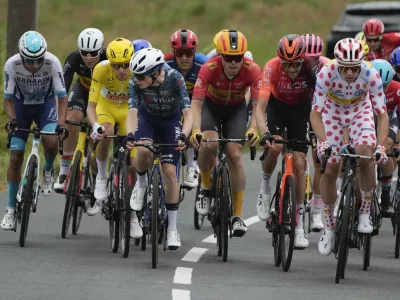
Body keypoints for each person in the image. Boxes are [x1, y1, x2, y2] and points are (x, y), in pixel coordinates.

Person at [310, 38, 389, 256]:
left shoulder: (370, 73)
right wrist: (323, 141)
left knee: (365, 155)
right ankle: (328, 227)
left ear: (361, 64)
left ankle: (364, 211)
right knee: (330, 167)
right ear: (337, 62)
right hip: (332, 113)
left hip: (360, 112)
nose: (349, 73)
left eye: (354, 68)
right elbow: (315, 113)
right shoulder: (326, 72)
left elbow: (382, 115)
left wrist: (380, 148)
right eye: (345, 67)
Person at [190, 30, 261, 237]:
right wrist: (195, 130)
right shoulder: (209, 68)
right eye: (228, 58)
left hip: (236, 110)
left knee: (235, 155)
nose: (233, 63)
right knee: (209, 143)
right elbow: (196, 104)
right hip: (211, 108)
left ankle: (237, 216)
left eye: (238, 58)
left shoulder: (252, 70)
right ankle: (204, 186)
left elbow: (258, 106)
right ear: (220, 56)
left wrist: (254, 129)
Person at [127, 48, 193, 249]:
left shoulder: (175, 79)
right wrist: (130, 135)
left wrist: (184, 135)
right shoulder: (135, 82)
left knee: (170, 172)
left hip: (170, 123)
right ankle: (140, 185)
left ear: (155, 73)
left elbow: (188, 113)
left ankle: (172, 230)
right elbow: (132, 112)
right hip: (147, 120)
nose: (136, 79)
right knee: (143, 150)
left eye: (140, 76)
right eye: (135, 75)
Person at [2, 31, 68, 230]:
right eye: (29, 61)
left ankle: (48, 169)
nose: (34, 65)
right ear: (21, 57)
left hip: (45, 106)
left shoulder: (53, 62)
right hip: (21, 108)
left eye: (38, 60)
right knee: (15, 157)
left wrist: (62, 123)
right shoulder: (11, 64)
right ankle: (11, 210)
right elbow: (7, 99)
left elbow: (62, 97)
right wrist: (13, 119)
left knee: (51, 141)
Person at [256, 34, 317, 249]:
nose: (292, 69)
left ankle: (299, 226)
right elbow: (260, 107)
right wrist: (264, 132)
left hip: (301, 112)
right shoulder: (272, 67)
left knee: (299, 163)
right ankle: (265, 186)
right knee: (276, 147)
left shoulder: (310, 69)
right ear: (281, 61)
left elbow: (320, 103)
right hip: (277, 108)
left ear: (303, 60)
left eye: (296, 64)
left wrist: (320, 133)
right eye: (287, 65)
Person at [85, 38, 137, 224]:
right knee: (105, 132)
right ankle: (101, 175)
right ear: (110, 63)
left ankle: (133, 216)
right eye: (116, 66)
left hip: (128, 111)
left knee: (131, 162)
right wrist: (94, 126)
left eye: (125, 65)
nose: (122, 70)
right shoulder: (100, 69)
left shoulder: (138, 71)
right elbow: (91, 106)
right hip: (106, 107)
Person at [54, 28, 106, 193]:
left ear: (102, 49)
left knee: (96, 133)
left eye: (93, 53)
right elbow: (62, 90)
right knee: (71, 117)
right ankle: (63, 171)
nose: (88, 57)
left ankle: (96, 172)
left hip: (102, 96)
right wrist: (58, 115)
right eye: (84, 52)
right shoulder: (74, 58)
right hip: (82, 91)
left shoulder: (108, 60)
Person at [164, 29, 208, 188]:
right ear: (173, 52)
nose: (184, 58)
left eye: (188, 53)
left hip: (196, 98)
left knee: (193, 122)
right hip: (174, 99)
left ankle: (192, 166)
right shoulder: (165, 63)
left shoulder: (203, 63)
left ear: (194, 52)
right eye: (179, 53)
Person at [301, 33, 330, 231]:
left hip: (320, 113)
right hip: (300, 110)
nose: (311, 61)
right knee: (297, 155)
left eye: (315, 58)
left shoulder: (327, 65)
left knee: (320, 161)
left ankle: (317, 209)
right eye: (307, 58)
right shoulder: (295, 63)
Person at [371, 59, 399, 216]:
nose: (382, 90)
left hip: (389, 117)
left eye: (385, 86)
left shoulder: (397, 89)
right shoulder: (362, 87)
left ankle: (386, 197)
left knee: (387, 145)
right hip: (368, 117)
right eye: (378, 86)